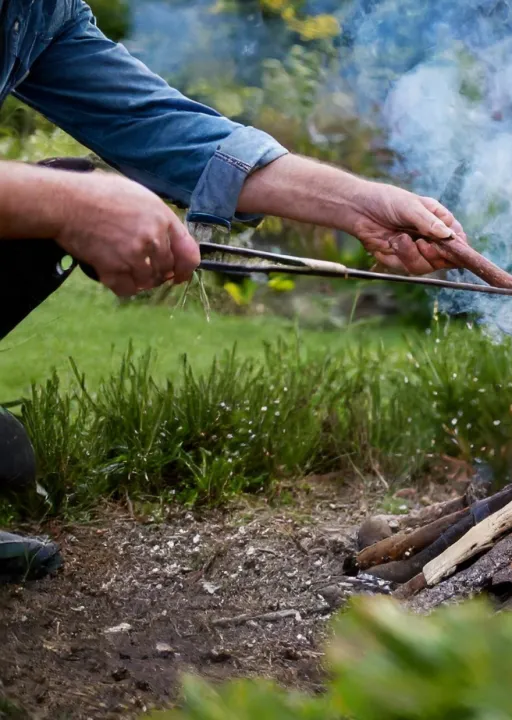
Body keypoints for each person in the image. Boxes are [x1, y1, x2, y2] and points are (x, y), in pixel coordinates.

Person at [0, 0, 473, 582]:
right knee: (56, 196)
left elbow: (157, 125)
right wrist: (67, 204)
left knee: (59, 192)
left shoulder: (40, 11)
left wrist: (358, 203)